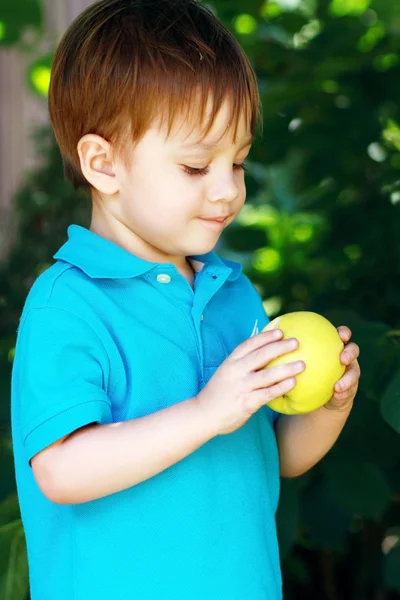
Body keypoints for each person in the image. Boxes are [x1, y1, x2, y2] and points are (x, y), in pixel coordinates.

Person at [10, 1, 361, 599]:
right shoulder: (66, 306)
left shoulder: (233, 295)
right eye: (196, 166)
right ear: (104, 164)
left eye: (239, 162)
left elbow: (271, 458)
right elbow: (62, 471)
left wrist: (327, 407)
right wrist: (204, 413)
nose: (228, 190)